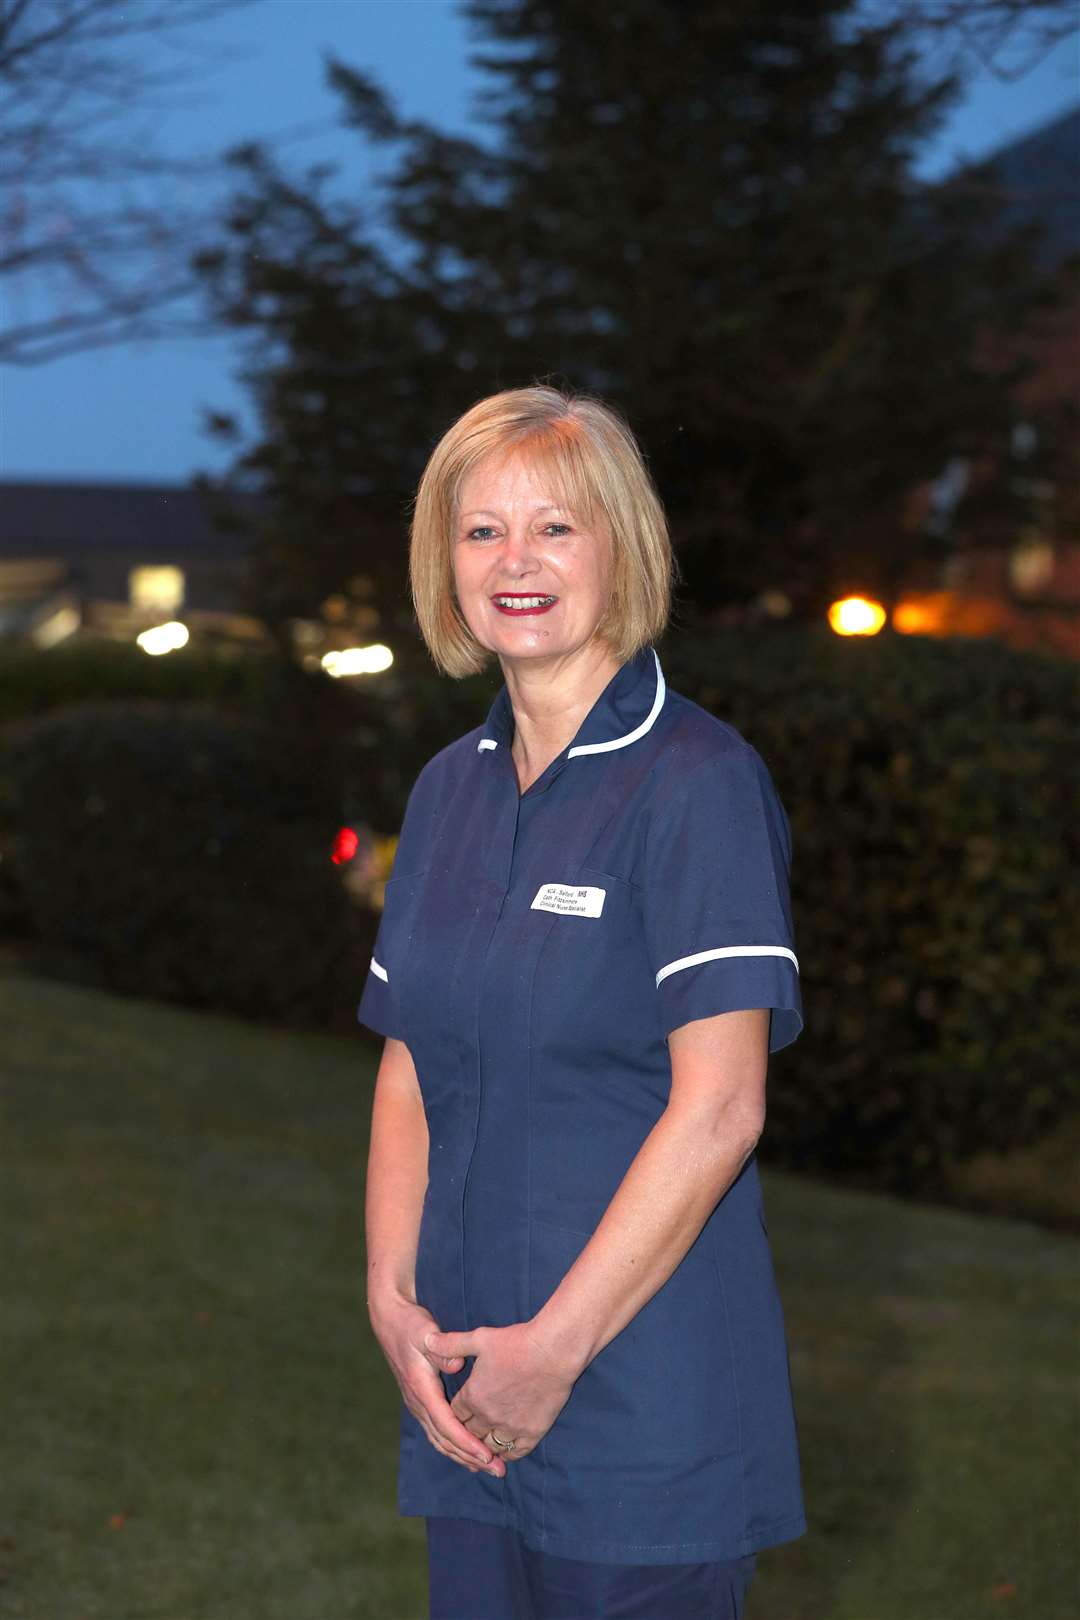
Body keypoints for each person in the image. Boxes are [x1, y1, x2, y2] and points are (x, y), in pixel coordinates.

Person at [359, 385, 806, 1620]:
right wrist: (390, 1297)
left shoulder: (699, 782)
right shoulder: (450, 787)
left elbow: (721, 1111)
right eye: (481, 529)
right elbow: (410, 1059)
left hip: (638, 1403)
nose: (516, 561)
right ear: (443, 562)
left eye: (556, 528)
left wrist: (552, 1352)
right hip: (463, 1384)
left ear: (623, 548)